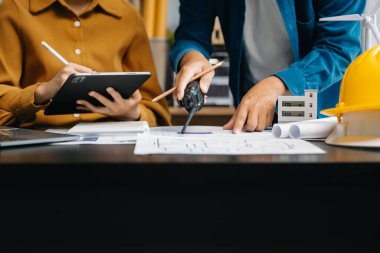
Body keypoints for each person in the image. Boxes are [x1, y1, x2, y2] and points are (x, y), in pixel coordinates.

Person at [170, 0, 366, 133]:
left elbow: (339, 46)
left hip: (322, 114)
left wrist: (277, 85)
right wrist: (191, 58)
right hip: (253, 115)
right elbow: (191, 34)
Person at [0, 0, 171, 127]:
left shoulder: (129, 17)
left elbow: (157, 109)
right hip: (38, 143)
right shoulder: (15, 9)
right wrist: (43, 91)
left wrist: (134, 113)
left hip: (114, 146)